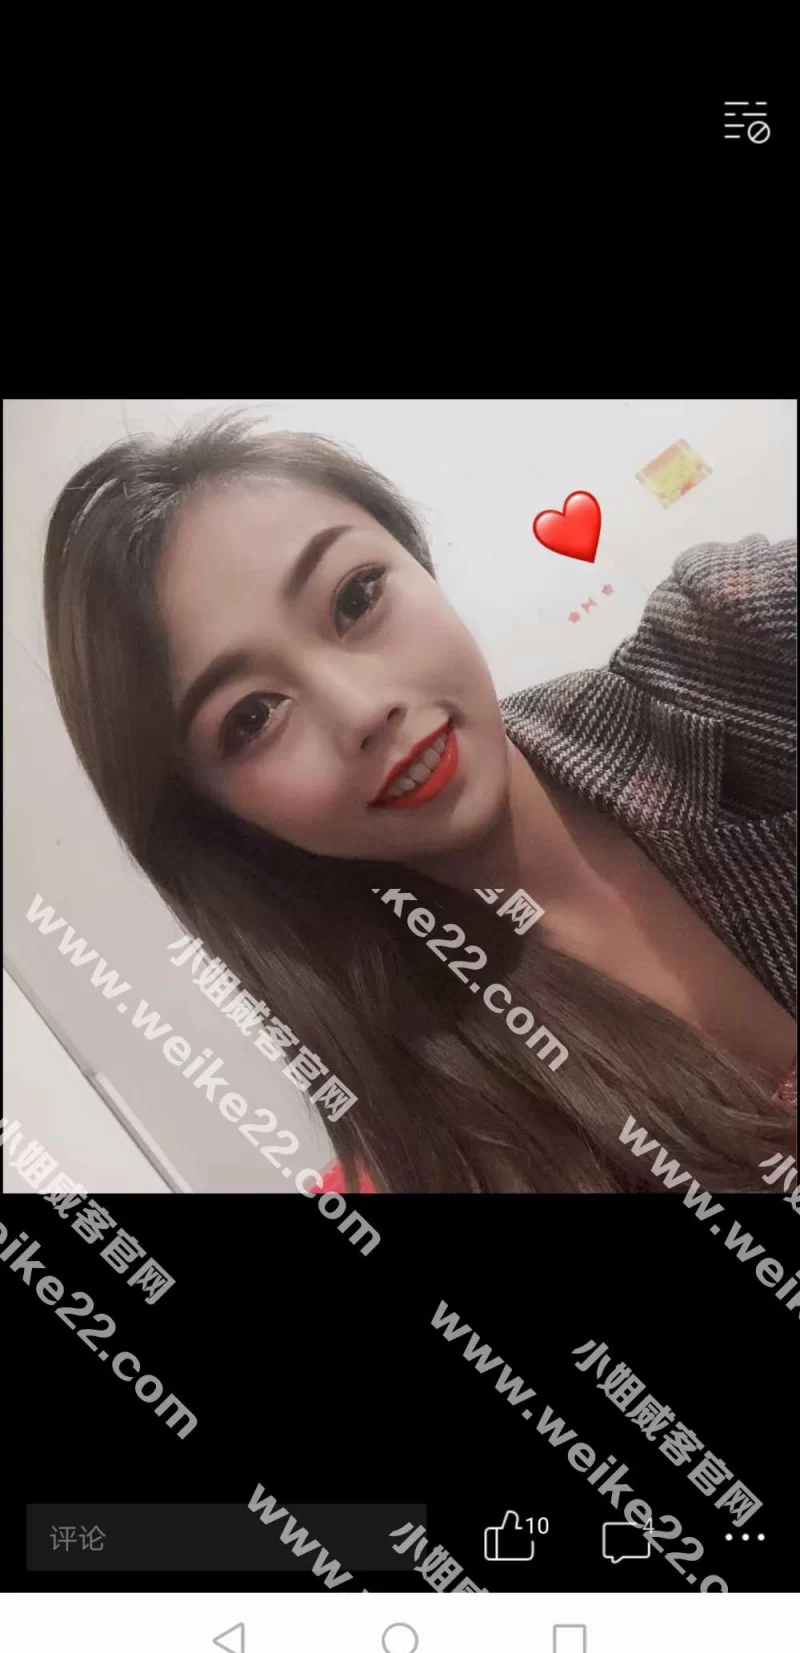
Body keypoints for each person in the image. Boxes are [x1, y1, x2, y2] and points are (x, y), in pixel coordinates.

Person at [42, 410, 796, 1194]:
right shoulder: (439, 1134)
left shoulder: (728, 649)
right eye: (252, 717)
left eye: (356, 598)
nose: (363, 709)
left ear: (417, 559)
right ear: (223, 820)